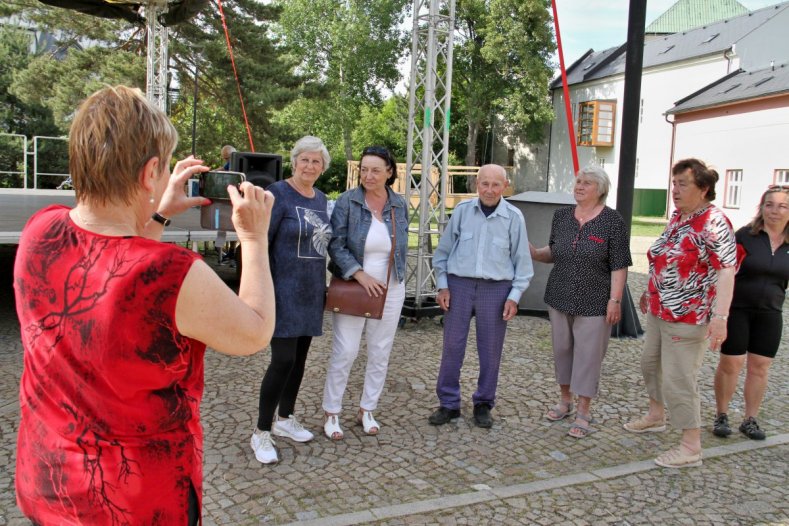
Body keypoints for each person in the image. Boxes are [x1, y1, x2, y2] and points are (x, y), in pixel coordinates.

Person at [13, 85, 276, 525]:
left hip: (47, 479)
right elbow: (253, 332)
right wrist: (253, 238)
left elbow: (112, 275)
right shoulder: (172, 271)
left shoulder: (41, 230)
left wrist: (154, 215)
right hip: (134, 503)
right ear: (150, 172)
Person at [625, 158, 737, 468]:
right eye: (673, 183)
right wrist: (650, 290)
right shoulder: (679, 217)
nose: (674, 190)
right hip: (661, 310)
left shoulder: (713, 222)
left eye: (682, 184)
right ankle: (656, 415)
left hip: (689, 316)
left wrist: (721, 317)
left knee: (679, 379)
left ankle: (691, 446)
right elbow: (664, 259)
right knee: (650, 364)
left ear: (703, 189)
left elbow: (727, 271)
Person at [429, 164, 534, 428]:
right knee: (452, 347)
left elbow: (522, 262)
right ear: (477, 185)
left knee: (490, 351)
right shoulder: (463, 212)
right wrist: (443, 286)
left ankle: (484, 403)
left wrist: (514, 296)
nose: (489, 189)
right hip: (459, 286)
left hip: (496, 290)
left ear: (505, 186)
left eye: (495, 184)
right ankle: (449, 403)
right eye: (484, 183)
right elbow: (442, 254)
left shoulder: (514, 217)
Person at [530, 165, 631, 438]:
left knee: (588, 356)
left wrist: (615, 300)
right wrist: (534, 253)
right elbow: (555, 251)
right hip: (559, 295)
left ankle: (584, 410)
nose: (579, 186)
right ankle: (565, 401)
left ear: (600, 190)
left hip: (596, 300)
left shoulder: (612, 221)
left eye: (586, 183)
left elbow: (619, 265)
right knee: (562, 350)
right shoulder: (562, 216)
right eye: (578, 182)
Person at [250, 136, 332, 463]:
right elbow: (259, 243)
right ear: (294, 161)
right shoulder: (277, 194)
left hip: (311, 290)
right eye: (305, 160)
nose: (310, 166)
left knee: (298, 361)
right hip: (281, 290)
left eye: (316, 162)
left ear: (322, 167)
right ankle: (261, 432)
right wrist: (262, 289)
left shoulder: (323, 199)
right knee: (281, 360)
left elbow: (324, 244)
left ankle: (285, 419)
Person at [322, 146, 408, 440]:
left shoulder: (399, 204)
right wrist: (359, 274)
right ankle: (332, 412)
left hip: (391, 287)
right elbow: (336, 244)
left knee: (380, 351)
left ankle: (367, 408)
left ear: (389, 172)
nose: (368, 175)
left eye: (375, 170)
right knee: (345, 351)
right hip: (353, 285)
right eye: (364, 169)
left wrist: (390, 280)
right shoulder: (348, 201)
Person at [712, 185, 789, 440]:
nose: (775, 211)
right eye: (769, 205)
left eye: (782, 206)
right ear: (761, 208)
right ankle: (722, 414)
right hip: (738, 309)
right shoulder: (746, 235)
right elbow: (723, 268)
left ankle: (750, 419)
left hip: (770, 313)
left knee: (760, 367)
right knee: (731, 363)